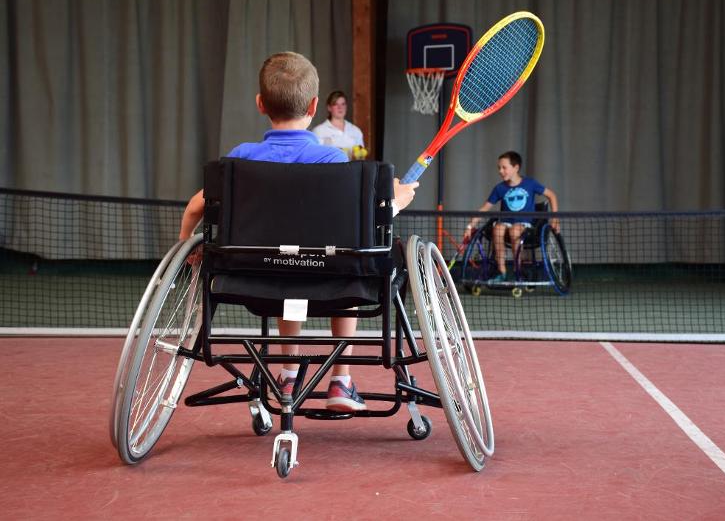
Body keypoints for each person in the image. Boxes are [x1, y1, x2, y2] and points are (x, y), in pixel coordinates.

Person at [179, 52, 418, 412]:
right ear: (313, 105)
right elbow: (360, 228)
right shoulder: (333, 162)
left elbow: (196, 206)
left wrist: (186, 248)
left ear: (261, 104)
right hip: (332, 282)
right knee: (348, 259)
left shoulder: (239, 160)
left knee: (285, 262)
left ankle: (288, 372)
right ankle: (341, 380)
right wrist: (395, 200)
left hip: (257, 279)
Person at [464, 151, 560, 283]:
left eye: (504, 167)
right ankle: (501, 271)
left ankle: (518, 269)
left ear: (516, 168)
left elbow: (552, 195)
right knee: (497, 229)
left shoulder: (530, 184)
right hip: (505, 223)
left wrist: (555, 218)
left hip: (525, 225)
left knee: (515, 230)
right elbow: (485, 208)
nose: (500, 171)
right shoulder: (499, 188)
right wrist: (470, 226)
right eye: (499, 168)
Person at [312, 91, 365, 159]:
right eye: (335, 104)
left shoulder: (355, 131)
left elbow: (361, 158)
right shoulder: (318, 131)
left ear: (346, 106)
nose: (340, 107)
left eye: (343, 104)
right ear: (329, 107)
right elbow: (315, 158)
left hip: (352, 169)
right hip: (330, 169)